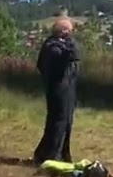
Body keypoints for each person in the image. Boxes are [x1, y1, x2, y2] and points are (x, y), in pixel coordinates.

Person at [33, 17, 82, 165]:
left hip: (67, 90)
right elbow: (72, 56)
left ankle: (61, 154)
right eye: (69, 31)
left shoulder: (61, 45)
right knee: (57, 123)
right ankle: (50, 155)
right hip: (58, 90)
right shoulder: (52, 47)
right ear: (63, 32)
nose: (71, 35)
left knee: (66, 123)